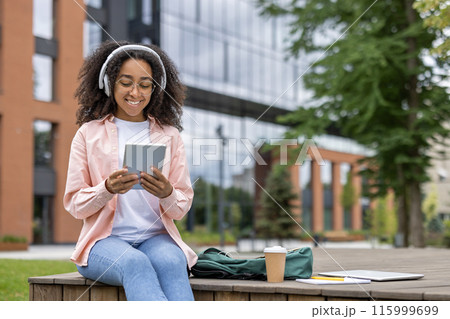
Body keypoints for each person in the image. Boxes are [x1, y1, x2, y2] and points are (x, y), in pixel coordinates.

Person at [64, 40, 197, 301]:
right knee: (135, 264)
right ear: (109, 83)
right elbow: (75, 204)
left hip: (156, 238)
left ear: (155, 89)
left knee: (173, 262)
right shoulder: (88, 134)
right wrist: (106, 189)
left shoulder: (169, 136)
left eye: (145, 85)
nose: (135, 93)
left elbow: (181, 208)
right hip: (103, 242)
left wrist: (167, 193)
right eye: (126, 82)